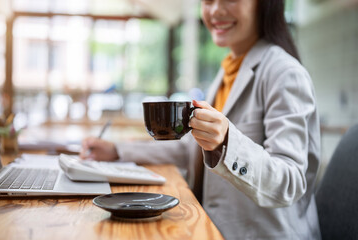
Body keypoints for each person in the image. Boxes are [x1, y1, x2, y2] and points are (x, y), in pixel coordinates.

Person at [80, 0, 321, 239]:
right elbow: (191, 150)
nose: (215, 10)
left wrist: (227, 141)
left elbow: (290, 183)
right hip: (211, 227)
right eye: (207, 1)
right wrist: (117, 151)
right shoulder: (227, 71)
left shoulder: (285, 73)